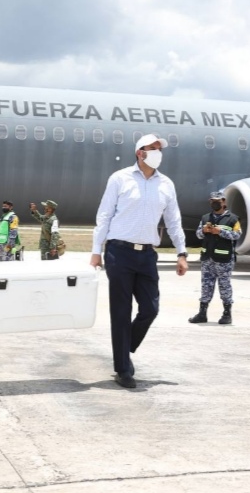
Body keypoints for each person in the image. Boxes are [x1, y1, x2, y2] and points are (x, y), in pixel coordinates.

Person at [90, 133, 189, 389]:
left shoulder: (166, 184)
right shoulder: (120, 179)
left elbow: (173, 220)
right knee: (121, 312)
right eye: (152, 148)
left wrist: (182, 252)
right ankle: (123, 368)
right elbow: (104, 214)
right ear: (139, 153)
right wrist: (95, 250)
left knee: (150, 308)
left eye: (160, 148)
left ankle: (126, 345)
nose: (158, 152)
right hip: (118, 252)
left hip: (146, 255)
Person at [188, 191, 242, 325]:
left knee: (224, 286)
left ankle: (227, 314)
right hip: (208, 258)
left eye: (217, 201)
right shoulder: (206, 218)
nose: (214, 203)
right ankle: (202, 313)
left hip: (224, 259)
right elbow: (198, 234)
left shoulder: (232, 219)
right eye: (212, 201)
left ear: (224, 202)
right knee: (206, 286)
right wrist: (204, 231)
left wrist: (221, 232)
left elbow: (237, 235)